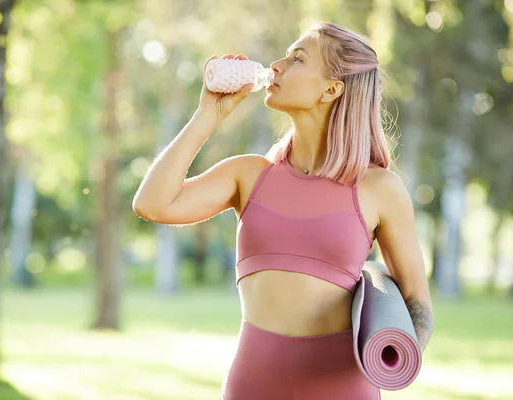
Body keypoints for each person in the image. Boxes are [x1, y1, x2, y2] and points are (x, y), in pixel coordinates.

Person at [132, 21, 434, 400]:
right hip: (252, 386)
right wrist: (207, 114)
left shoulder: (379, 189)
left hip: (342, 389)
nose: (275, 65)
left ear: (331, 88)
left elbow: (417, 301)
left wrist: (395, 362)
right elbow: (151, 204)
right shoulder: (248, 175)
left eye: (297, 58)